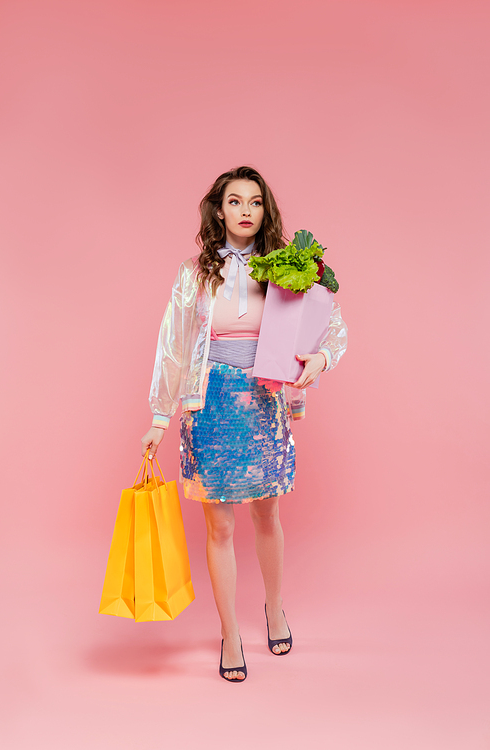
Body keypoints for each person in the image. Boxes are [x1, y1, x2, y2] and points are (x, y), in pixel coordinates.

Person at [141, 166, 347, 682]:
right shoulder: (195, 272)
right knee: (219, 525)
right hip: (209, 401)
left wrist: (317, 362)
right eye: (235, 202)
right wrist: (159, 419)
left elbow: (331, 325)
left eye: (255, 202)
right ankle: (230, 633)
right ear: (219, 209)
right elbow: (173, 343)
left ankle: (274, 606)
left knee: (266, 514)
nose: (246, 211)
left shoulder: (287, 267)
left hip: (264, 400)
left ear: (265, 210)